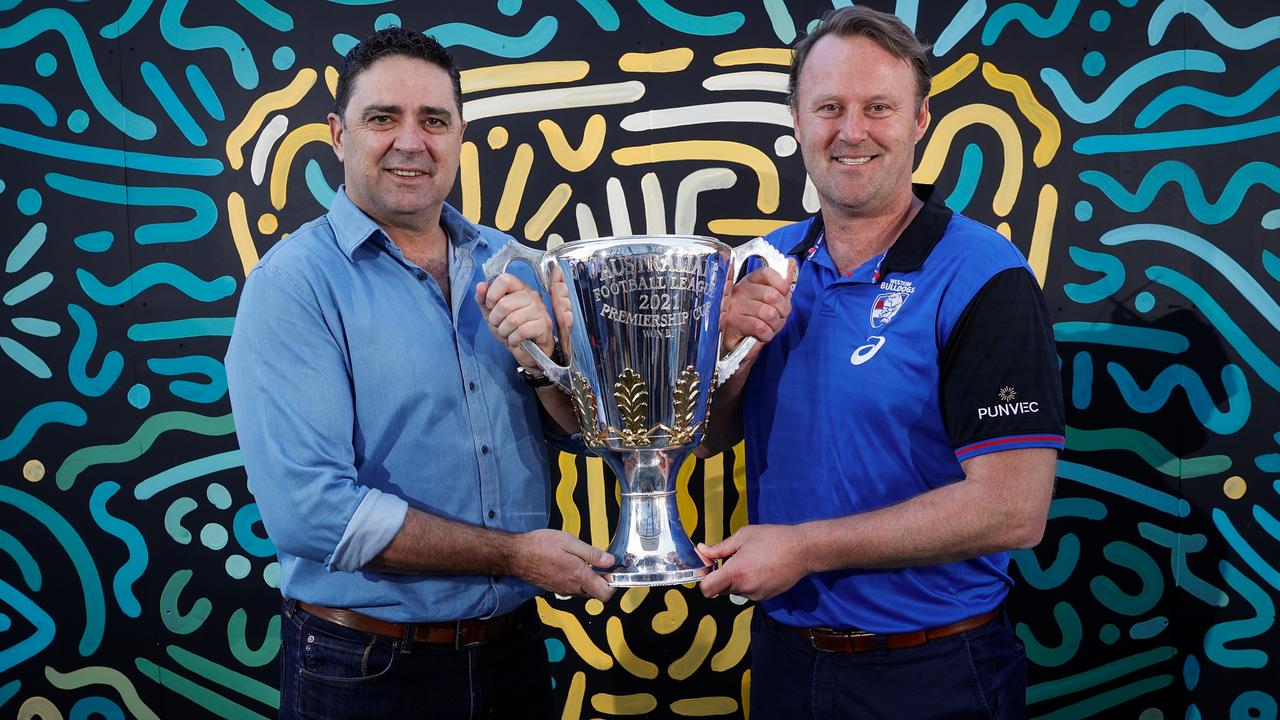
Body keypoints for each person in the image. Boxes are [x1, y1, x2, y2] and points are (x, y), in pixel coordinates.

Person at [225, 27, 613, 720]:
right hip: (363, 671)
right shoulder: (293, 286)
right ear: (338, 134)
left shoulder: (515, 264)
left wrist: (548, 367)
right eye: (383, 118)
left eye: (434, 120)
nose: (412, 141)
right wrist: (515, 556)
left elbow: (589, 435)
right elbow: (315, 515)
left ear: (459, 134)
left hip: (513, 656)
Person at [695, 7, 1065, 719]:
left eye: (878, 108)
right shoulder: (760, 264)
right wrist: (727, 349)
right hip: (785, 660)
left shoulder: (984, 274)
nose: (851, 131)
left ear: (920, 121)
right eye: (829, 108)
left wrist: (803, 549)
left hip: (934, 671)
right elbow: (713, 436)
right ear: (797, 123)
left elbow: (1013, 511)